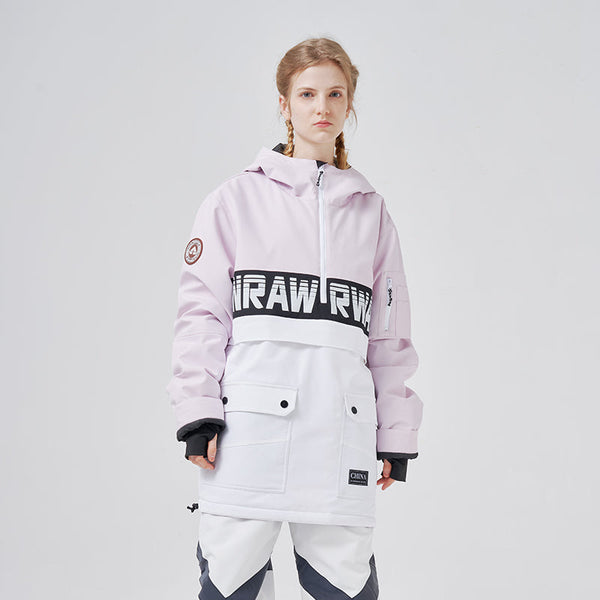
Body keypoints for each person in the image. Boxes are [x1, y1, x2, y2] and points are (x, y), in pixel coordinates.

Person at [166, 36, 423, 600]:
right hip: (245, 435)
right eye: (307, 94)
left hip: (340, 434)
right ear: (285, 104)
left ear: (349, 104)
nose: (321, 107)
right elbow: (201, 315)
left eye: (335, 94)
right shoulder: (234, 200)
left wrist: (395, 432)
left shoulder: (372, 213)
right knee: (231, 585)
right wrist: (198, 412)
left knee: (347, 587)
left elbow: (388, 334)